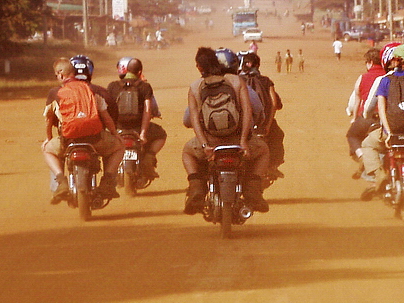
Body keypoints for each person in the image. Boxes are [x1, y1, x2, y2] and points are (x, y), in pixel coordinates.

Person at [182, 47, 270, 215]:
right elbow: (247, 112)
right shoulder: (237, 82)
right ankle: (252, 188)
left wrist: (204, 145)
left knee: (188, 152)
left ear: (199, 67)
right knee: (264, 150)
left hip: (211, 144)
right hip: (237, 141)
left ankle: (196, 188)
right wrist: (244, 141)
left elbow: (194, 120)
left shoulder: (195, 87)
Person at [42, 58, 124, 204]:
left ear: (61, 74)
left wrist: (48, 138)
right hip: (95, 138)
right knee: (119, 147)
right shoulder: (91, 90)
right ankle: (107, 182)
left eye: (56, 75)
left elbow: (49, 120)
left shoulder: (56, 93)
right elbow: (106, 117)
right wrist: (115, 134)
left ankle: (61, 182)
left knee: (48, 151)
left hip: (68, 139)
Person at [359, 44, 404, 200]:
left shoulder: (384, 81)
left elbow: (381, 109)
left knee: (368, 144)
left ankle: (379, 175)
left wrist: (388, 131)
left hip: (391, 133)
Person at [106, 56, 167, 182]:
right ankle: (148, 159)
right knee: (161, 135)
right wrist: (143, 133)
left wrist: (112, 131)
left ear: (126, 70)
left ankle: (108, 175)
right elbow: (147, 111)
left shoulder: (112, 86)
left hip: (118, 128)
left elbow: (107, 110)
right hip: (137, 128)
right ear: (139, 72)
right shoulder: (144, 86)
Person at [240, 51, 285, 182]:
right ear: (257, 65)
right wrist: (268, 125)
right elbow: (275, 103)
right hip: (263, 124)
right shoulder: (266, 81)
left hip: (241, 125)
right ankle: (273, 165)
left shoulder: (237, 81)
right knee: (278, 135)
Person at [344, 47, 387, 178]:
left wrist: (355, 118)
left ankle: (362, 156)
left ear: (370, 62)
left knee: (352, 135)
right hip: (388, 119)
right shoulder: (388, 76)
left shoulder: (362, 78)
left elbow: (357, 101)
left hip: (368, 118)